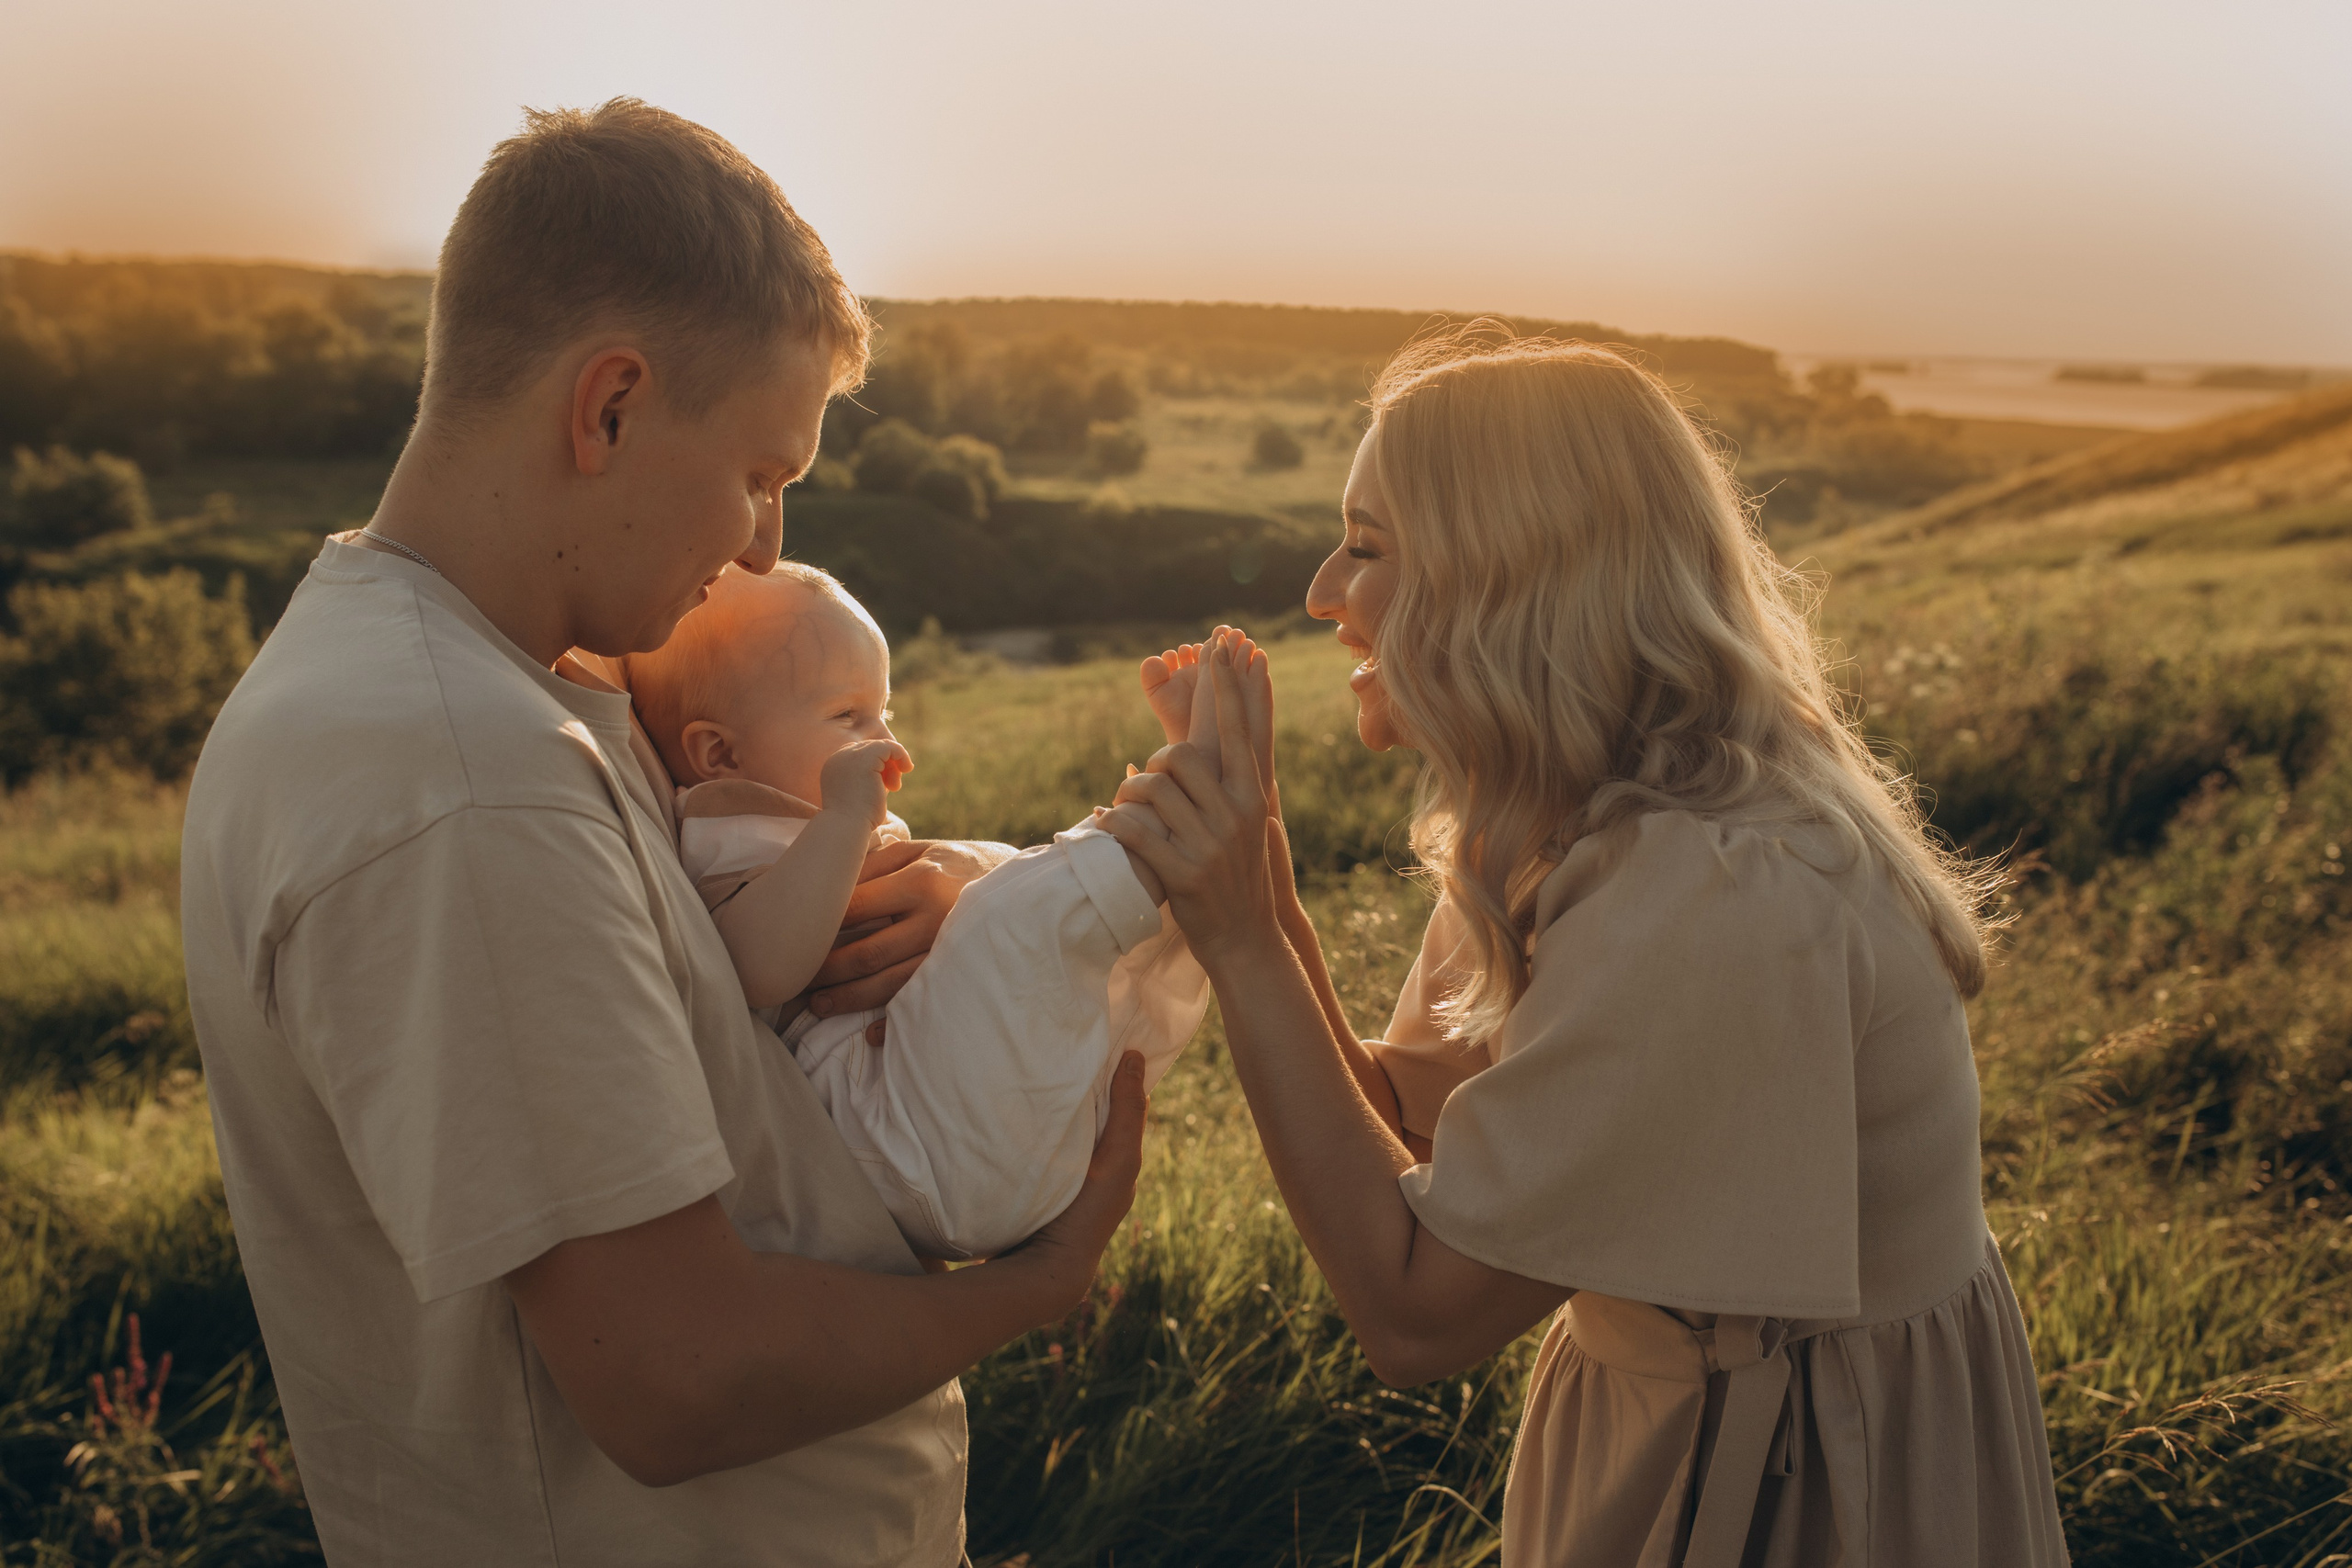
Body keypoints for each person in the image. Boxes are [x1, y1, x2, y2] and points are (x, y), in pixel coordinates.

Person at [179, 99, 1145, 1567]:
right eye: (761, 474)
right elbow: (677, 1376)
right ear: (609, 405)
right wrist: (1040, 1283)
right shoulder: (466, 782)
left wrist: (924, 889)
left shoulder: (507, 688)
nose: (764, 544)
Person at [1101, 331, 2072, 1566]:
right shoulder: (1567, 813)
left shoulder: (1712, 896)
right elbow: (1414, 1121)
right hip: (1687, 1440)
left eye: (1369, 544)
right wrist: (1268, 881)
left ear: (1512, 576)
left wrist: (1243, 935)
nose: (1321, 588)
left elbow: (1413, 1311)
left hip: (1816, 1489)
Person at [621, 561, 1221, 1258]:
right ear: (719, 752)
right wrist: (844, 819)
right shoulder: (731, 826)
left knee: (1104, 965)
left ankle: (1182, 844)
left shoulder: (796, 809)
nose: (891, 743)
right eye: (849, 716)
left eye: (886, 713)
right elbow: (758, 968)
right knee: (1010, 921)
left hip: (969, 1120)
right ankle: (1171, 818)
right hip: (893, 1133)